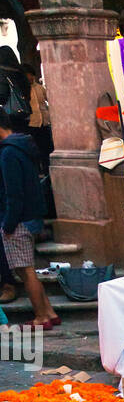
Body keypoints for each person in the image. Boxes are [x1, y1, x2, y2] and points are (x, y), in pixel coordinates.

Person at [0, 109, 57, 326]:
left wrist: (9, 223)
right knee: (27, 269)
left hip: (19, 219)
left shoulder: (8, 153)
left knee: (26, 271)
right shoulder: (21, 147)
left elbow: (14, 193)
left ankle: (41, 317)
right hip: (30, 216)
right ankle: (49, 312)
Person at [20, 63, 52, 178]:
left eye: (31, 75)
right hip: (31, 124)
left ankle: (48, 172)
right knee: (35, 150)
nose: (30, 78)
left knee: (46, 150)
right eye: (28, 75)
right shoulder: (22, 89)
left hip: (43, 123)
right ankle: (38, 173)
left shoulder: (39, 88)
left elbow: (50, 99)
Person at [0, 47, 30, 133]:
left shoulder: (2, 73)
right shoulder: (21, 72)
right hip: (24, 112)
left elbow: (2, 95)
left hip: (9, 115)